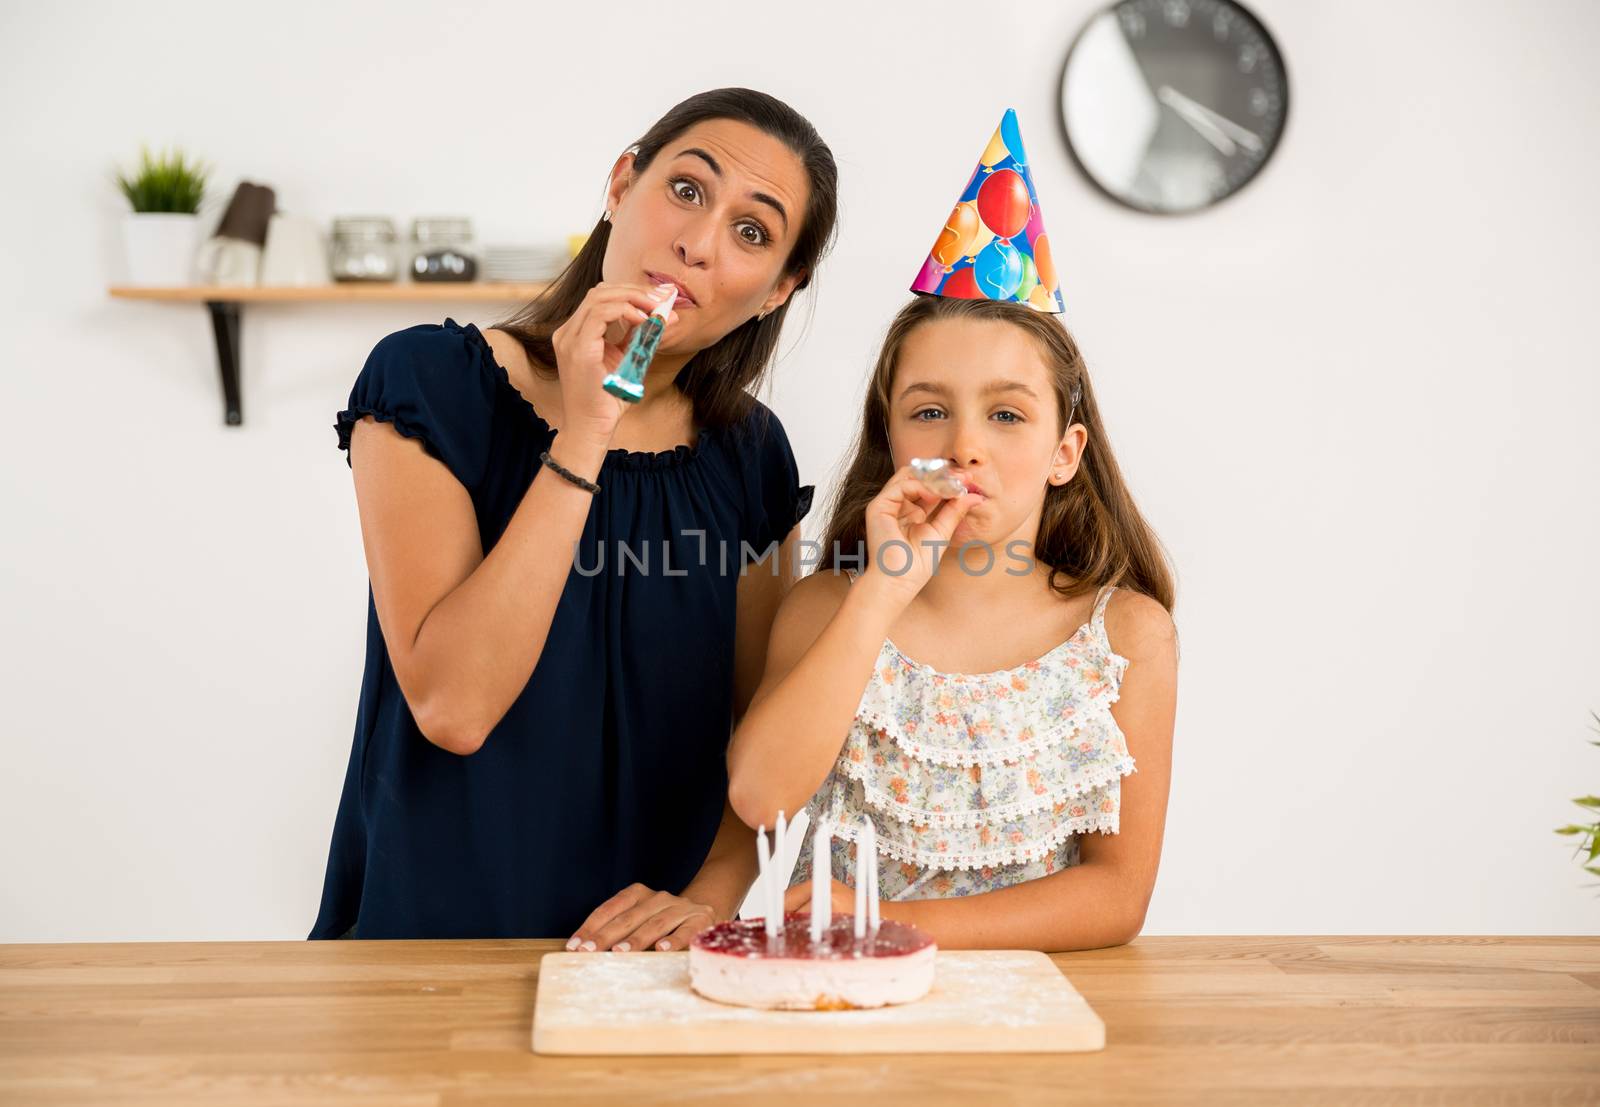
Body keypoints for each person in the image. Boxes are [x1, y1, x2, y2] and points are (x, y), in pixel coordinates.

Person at [310, 88, 837, 945]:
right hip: (431, 949)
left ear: (780, 288)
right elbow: (455, 704)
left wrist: (712, 893)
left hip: (651, 968)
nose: (697, 244)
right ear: (622, 184)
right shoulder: (430, 384)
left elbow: (762, 737)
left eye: (752, 232)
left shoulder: (750, 456)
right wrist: (590, 429)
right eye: (687, 190)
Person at [725, 112, 1177, 951]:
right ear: (891, 438)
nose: (964, 444)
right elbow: (760, 797)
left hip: (1033, 1021)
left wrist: (887, 921)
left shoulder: (1124, 636)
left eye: (1006, 413)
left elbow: (1116, 898)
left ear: (1064, 452)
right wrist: (882, 590)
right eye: (929, 410)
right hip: (840, 1004)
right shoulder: (828, 610)